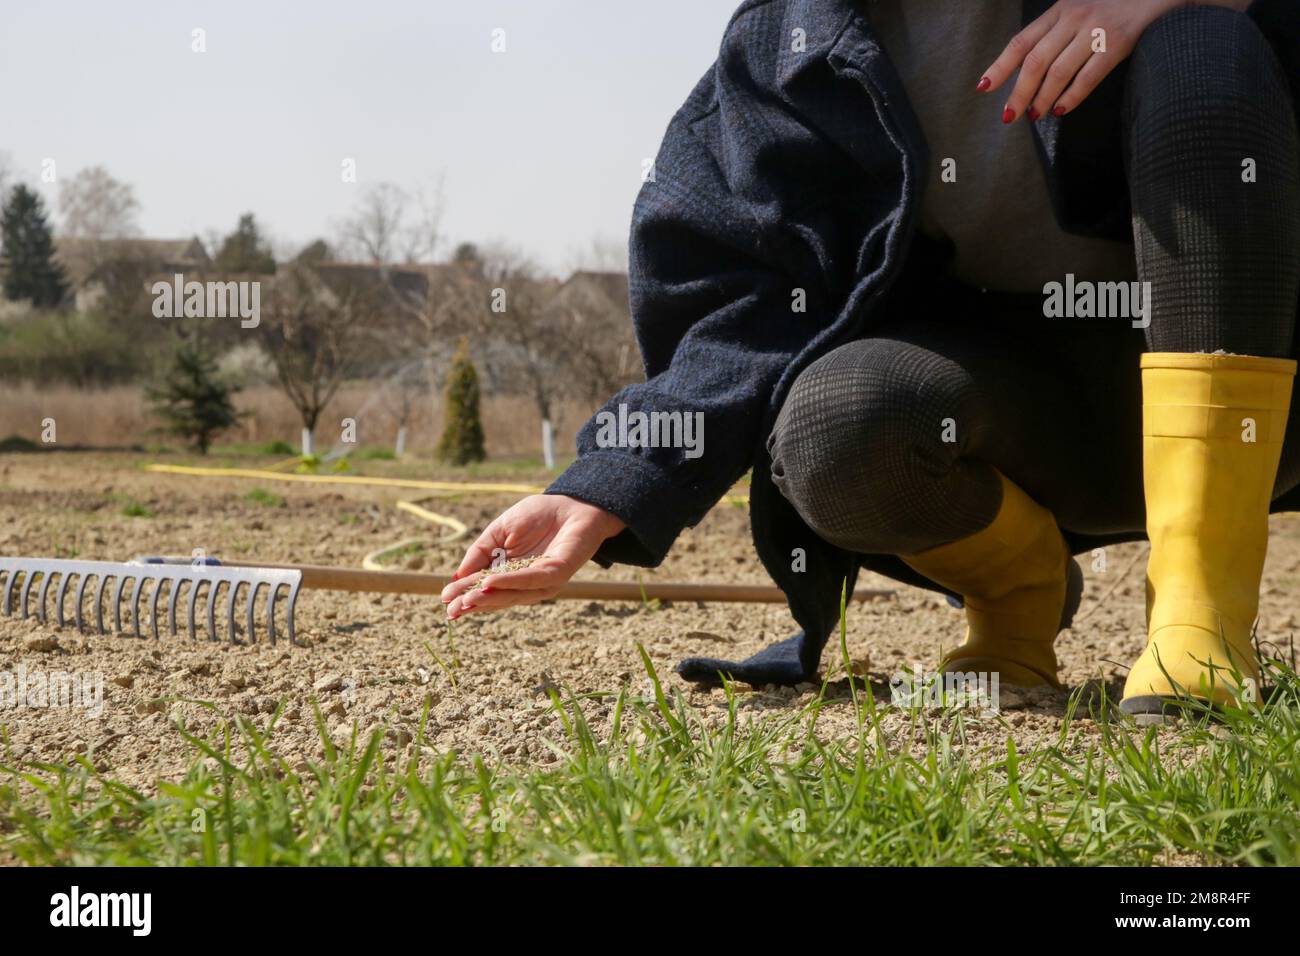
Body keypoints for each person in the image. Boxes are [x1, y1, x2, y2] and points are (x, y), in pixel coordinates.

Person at [442, 0, 1300, 718]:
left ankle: (1202, 618)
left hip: (1268, 402)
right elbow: (742, 297)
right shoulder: (791, 45)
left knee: (1203, 43)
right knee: (837, 428)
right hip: (1017, 425)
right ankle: (1016, 600)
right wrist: (609, 481)